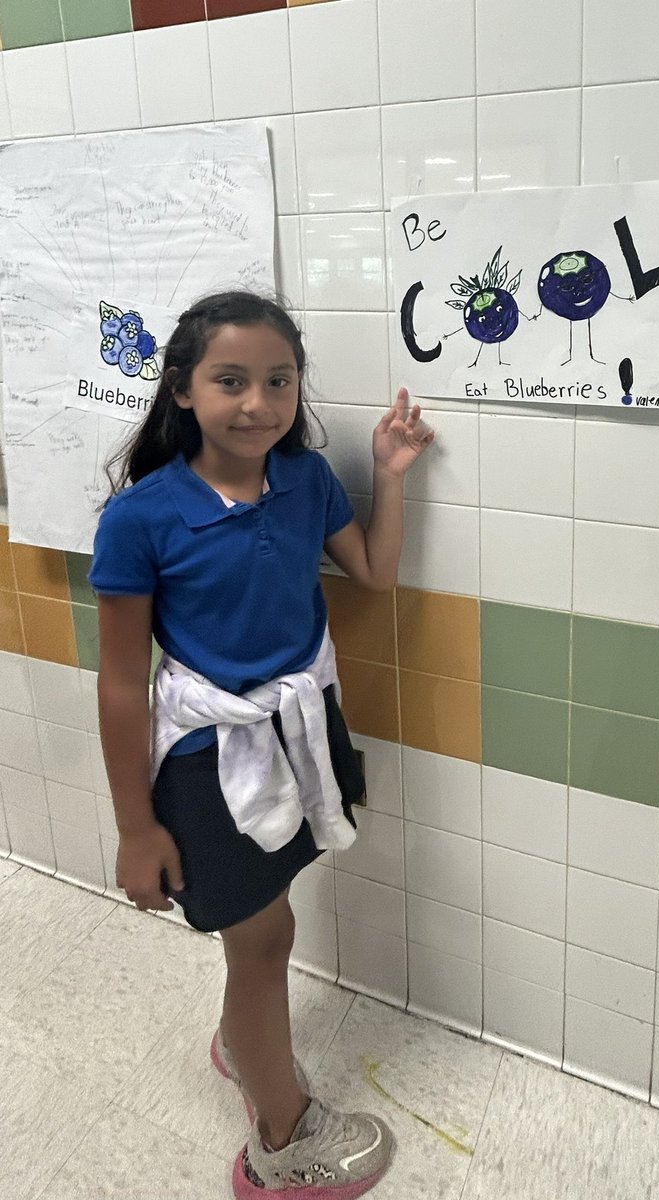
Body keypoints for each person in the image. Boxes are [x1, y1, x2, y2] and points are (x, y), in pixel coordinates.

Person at [89, 290, 434, 1198]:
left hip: (301, 729)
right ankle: (280, 1144)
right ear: (183, 389)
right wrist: (136, 828)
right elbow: (123, 681)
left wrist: (391, 472)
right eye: (231, 381)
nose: (259, 403)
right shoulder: (142, 518)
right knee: (263, 940)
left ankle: (246, 1045)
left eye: (278, 381)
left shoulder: (307, 479)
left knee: (269, 915)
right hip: (208, 762)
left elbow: (373, 571)